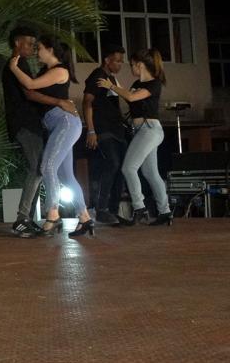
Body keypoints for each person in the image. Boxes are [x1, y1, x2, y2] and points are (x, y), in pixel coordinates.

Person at [10, 36, 93, 237]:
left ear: (50, 49)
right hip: (59, 124)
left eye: (40, 48)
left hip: (64, 123)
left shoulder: (59, 70)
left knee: (47, 166)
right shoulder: (49, 71)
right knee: (66, 176)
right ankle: (85, 218)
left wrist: (14, 67)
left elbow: (30, 85)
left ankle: (53, 214)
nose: (37, 52)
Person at [97, 48, 172, 226]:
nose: (130, 68)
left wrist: (112, 86)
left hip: (150, 129)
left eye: (131, 64)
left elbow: (131, 97)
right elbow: (128, 96)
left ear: (140, 64)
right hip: (141, 130)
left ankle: (139, 207)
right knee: (150, 172)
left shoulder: (154, 84)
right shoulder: (137, 83)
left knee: (128, 168)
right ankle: (165, 212)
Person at [83, 45, 127, 225]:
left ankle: (113, 211)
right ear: (107, 60)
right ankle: (101, 209)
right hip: (103, 130)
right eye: (117, 60)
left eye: (122, 61)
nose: (120, 64)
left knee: (121, 168)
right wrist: (91, 130)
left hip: (117, 130)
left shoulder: (111, 79)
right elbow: (87, 102)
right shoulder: (97, 76)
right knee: (113, 163)